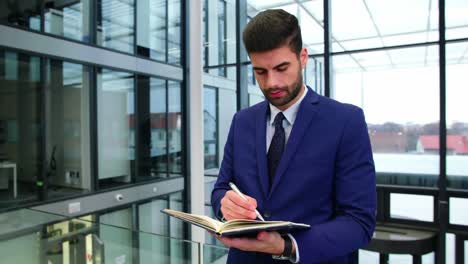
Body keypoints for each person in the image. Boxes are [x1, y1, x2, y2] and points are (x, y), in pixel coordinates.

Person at [210, 9, 376, 264]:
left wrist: (287, 246)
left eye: (281, 68)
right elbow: (222, 186)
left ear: (303, 57)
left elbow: (359, 222)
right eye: (260, 72)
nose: (272, 82)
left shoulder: (345, 121)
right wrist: (225, 204)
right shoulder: (242, 121)